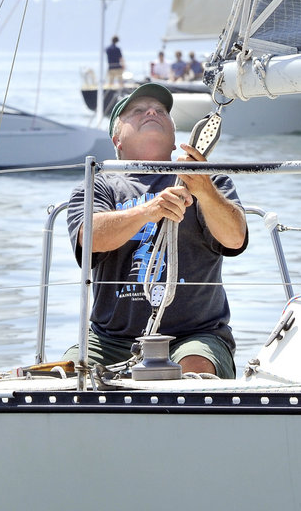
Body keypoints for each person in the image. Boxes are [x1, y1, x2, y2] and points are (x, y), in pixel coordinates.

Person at [64, 82, 248, 378]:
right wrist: (148, 211)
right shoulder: (99, 185)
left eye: (161, 110)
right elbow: (91, 237)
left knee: (194, 371)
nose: (151, 111)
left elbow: (235, 238)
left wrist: (204, 190)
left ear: (175, 137)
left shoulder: (208, 181)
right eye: (137, 111)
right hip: (110, 341)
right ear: (117, 138)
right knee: (63, 377)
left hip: (194, 337)